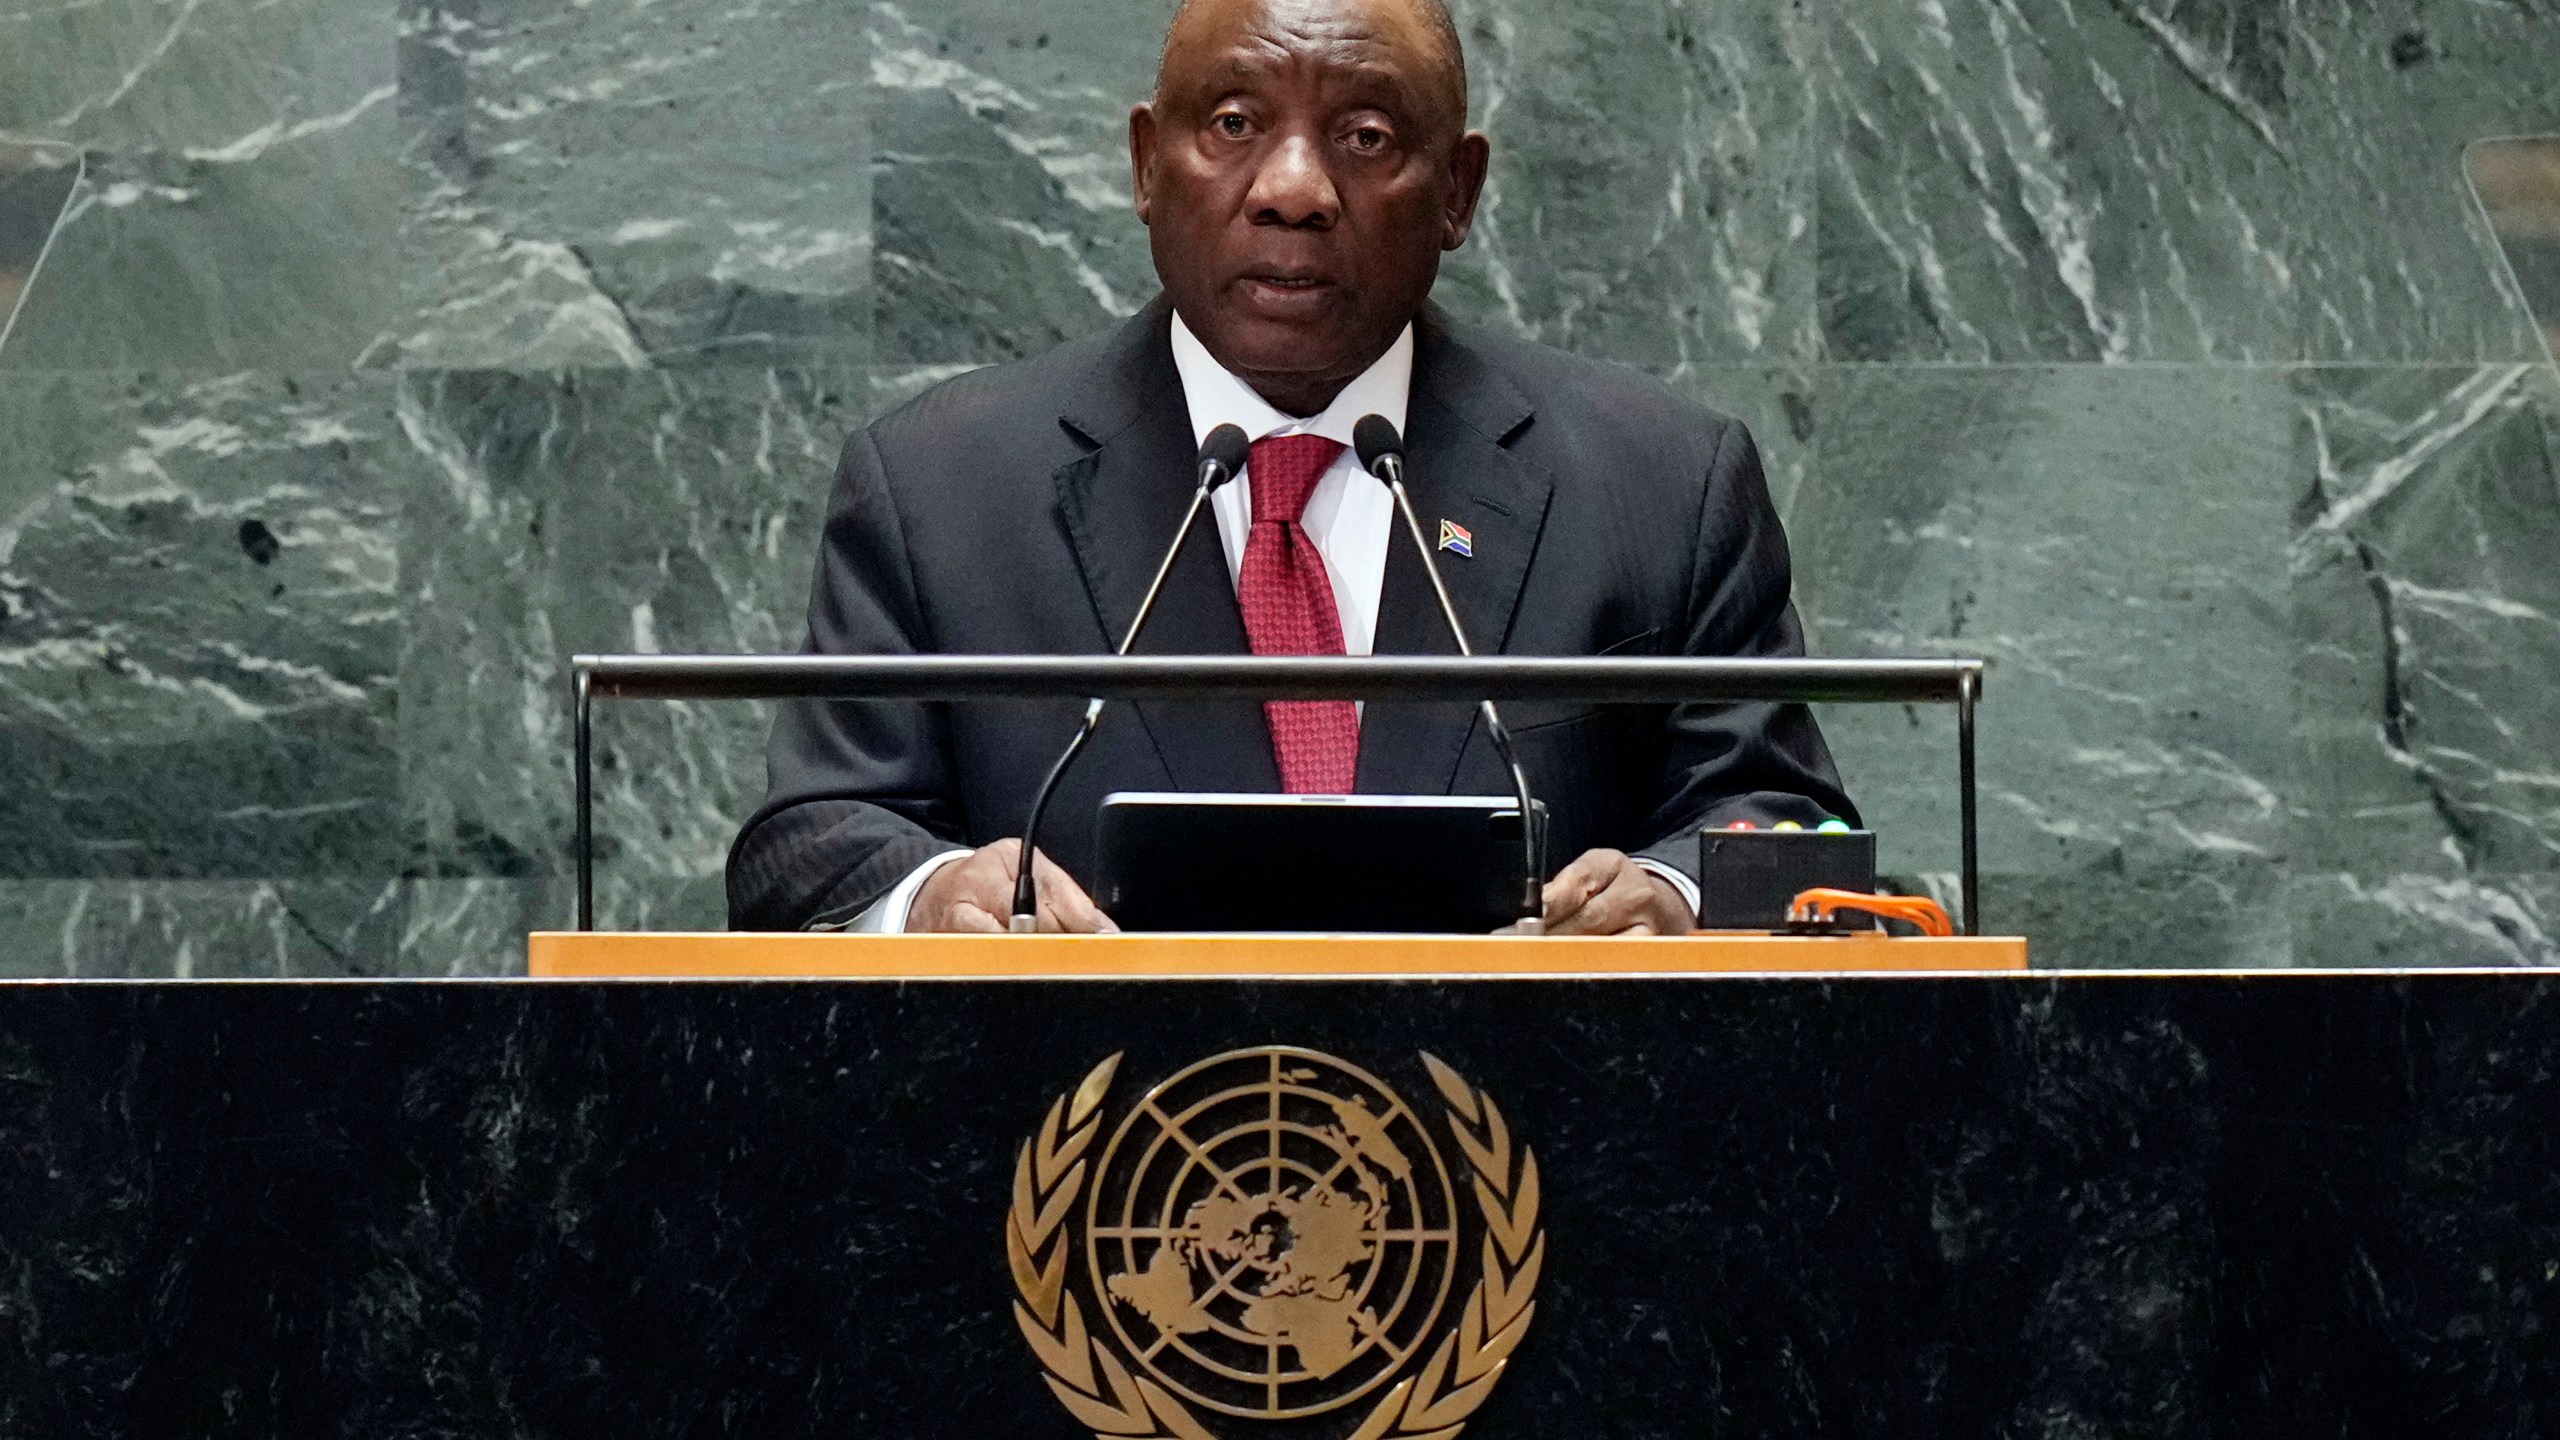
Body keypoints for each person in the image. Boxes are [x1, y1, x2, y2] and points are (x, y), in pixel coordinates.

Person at [727, 0, 1854, 935]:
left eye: (1365, 137)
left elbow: (1805, 844)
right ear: (1143, 166)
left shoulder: (1658, 482)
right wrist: (930, 896)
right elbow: (805, 852)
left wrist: (1677, 895)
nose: (1295, 188)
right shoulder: (940, 487)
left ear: (1457, 190)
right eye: (1230, 123)